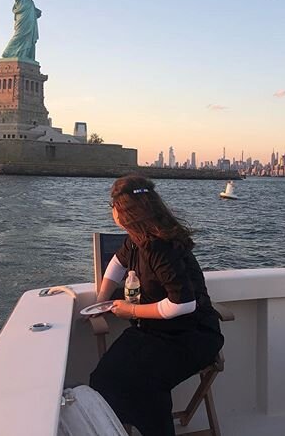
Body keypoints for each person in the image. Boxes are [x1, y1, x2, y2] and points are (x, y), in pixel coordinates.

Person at [90, 175, 224, 436]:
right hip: (153, 331)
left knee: (143, 383)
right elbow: (117, 264)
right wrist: (100, 302)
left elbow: (183, 304)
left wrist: (130, 311)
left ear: (126, 212)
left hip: (191, 335)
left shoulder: (159, 247)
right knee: (104, 378)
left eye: (113, 206)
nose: (112, 211)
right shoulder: (137, 239)